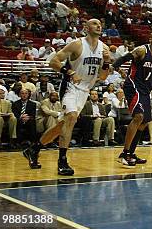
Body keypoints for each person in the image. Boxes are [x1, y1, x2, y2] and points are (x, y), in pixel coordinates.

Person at [23, 19, 111, 175]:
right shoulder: (77, 44)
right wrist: (69, 72)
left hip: (84, 91)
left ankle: (34, 149)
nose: (99, 26)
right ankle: (62, 161)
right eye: (95, 23)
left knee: (61, 126)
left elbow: (103, 77)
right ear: (86, 27)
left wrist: (106, 62)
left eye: (100, 24)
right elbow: (53, 61)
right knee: (71, 118)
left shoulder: (104, 48)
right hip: (70, 86)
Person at [112, 31, 152, 167]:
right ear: (150, 39)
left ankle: (131, 153)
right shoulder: (142, 50)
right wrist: (115, 67)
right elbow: (125, 58)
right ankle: (124, 154)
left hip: (145, 90)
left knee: (145, 121)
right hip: (133, 85)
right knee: (138, 116)